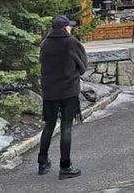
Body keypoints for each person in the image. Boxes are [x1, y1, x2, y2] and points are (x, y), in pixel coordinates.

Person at [38, 15, 87, 180]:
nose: (71, 28)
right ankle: (65, 167)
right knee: (66, 126)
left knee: (49, 125)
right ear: (64, 27)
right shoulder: (71, 42)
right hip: (68, 91)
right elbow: (83, 66)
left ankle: (42, 162)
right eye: (69, 26)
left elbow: (42, 64)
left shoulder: (45, 44)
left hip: (49, 92)